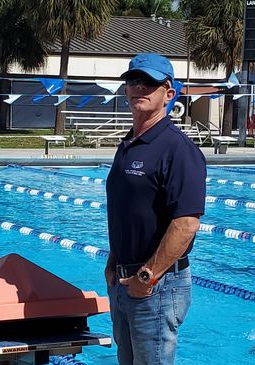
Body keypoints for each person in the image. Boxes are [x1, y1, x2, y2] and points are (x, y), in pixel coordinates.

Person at [105, 53, 206, 365]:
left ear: (169, 93)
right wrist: (113, 264)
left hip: (157, 286)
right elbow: (129, 211)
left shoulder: (177, 149)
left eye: (149, 82)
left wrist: (147, 276)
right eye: (133, 80)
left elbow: (186, 223)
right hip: (124, 281)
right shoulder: (130, 144)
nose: (139, 87)